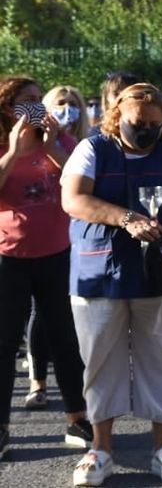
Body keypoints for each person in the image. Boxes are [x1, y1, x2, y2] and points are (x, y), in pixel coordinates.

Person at [61, 83, 162, 485]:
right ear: (117, 116)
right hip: (100, 272)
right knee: (99, 361)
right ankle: (101, 449)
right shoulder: (93, 149)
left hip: (160, 271)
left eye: (153, 123)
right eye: (137, 123)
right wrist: (126, 218)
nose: (145, 129)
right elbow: (73, 198)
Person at [0, 77, 91, 462]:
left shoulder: (59, 141)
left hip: (57, 253)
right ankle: (2, 428)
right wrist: (14, 152)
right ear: (8, 107)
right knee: (4, 344)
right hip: (9, 257)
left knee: (65, 340)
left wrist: (52, 144)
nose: (37, 107)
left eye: (39, 100)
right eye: (27, 101)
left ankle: (77, 417)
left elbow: (81, 180)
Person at [89, 73, 139, 138]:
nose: (121, 98)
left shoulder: (148, 127)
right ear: (107, 98)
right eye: (116, 94)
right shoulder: (97, 133)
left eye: (127, 93)